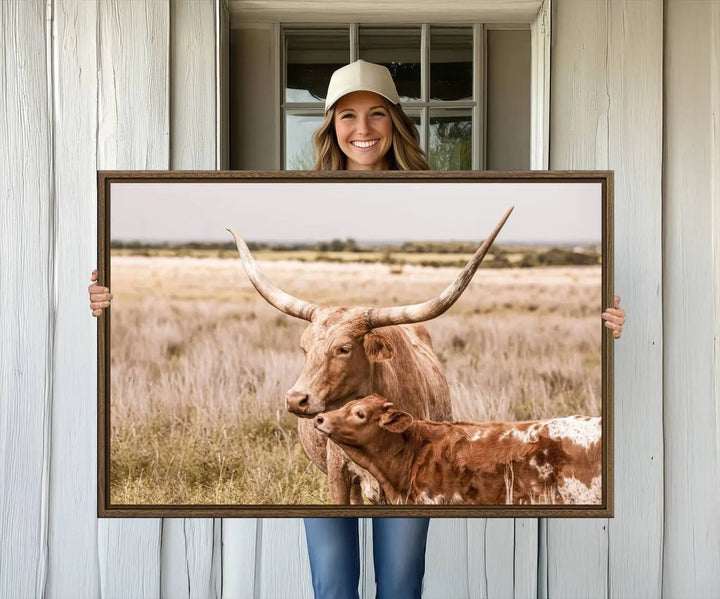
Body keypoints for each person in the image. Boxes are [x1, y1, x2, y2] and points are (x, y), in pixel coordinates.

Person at [88, 59, 626, 599]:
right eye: (347, 116)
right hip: (337, 427)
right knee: (333, 583)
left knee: (399, 582)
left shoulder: (439, 192)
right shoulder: (295, 192)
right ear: (330, 126)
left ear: (395, 121)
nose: (362, 129)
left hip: (407, 458)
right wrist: (102, 300)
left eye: (376, 115)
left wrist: (608, 322)